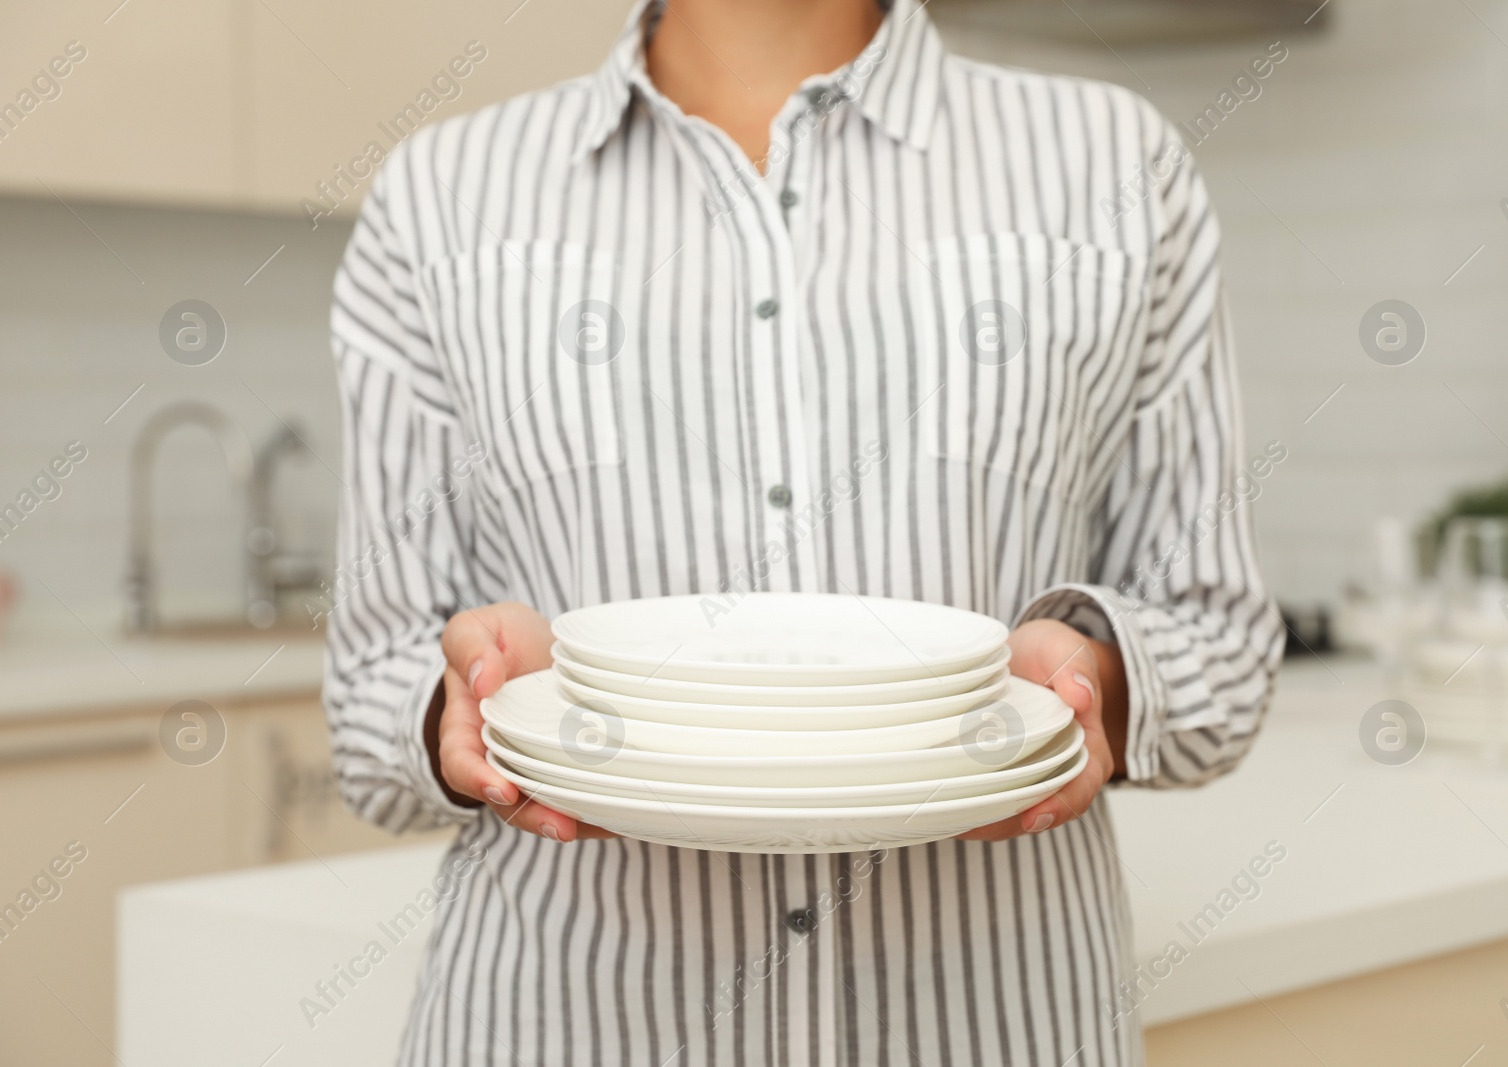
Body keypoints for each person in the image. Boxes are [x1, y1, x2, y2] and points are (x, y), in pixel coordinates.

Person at [325, 0, 1284, 1063]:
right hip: (566, 1019)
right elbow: (372, 685)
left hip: (996, 1022)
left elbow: (1220, 647)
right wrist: (456, 714)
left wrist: (1095, 682)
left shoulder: (1112, 166)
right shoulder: (440, 198)